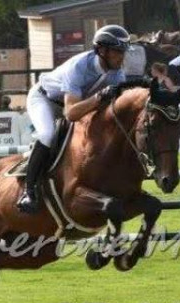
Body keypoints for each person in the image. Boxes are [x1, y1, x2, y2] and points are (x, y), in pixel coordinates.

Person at [19, 24, 130, 214]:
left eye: (123, 52)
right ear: (102, 51)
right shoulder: (79, 66)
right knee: (47, 135)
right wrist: (98, 98)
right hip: (46, 100)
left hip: (77, 106)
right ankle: (29, 192)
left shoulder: (117, 73)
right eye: (118, 52)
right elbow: (70, 113)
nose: (122, 57)